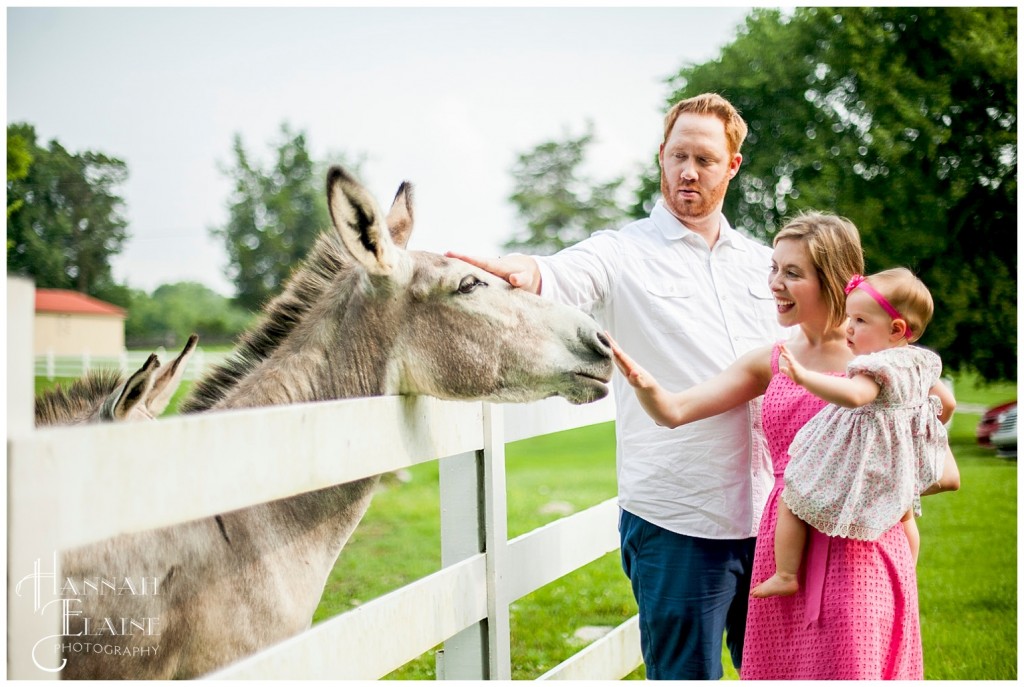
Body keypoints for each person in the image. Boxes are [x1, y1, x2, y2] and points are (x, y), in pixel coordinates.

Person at [448, 93, 786, 679]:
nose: (688, 171)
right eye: (677, 155)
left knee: (780, 675)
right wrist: (527, 270)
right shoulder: (622, 252)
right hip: (680, 522)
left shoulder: (763, 264)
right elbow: (559, 273)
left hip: (774, 518)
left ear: (732, 164)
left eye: (705, 159)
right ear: (660, 156)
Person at [609, 211, 961, 679]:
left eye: (792, 273)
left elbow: (942, 473)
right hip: (783, 552)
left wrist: (855, 485)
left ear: (833, 280)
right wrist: (645, 384)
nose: (774, 282)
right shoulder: (773, 359)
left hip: (860, 549)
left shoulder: (885, 365)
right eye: (774, 268)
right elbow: (674, 411)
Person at [751, 268, 957, 599]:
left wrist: (803, 377)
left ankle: (786, 573)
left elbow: (853, 395)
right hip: (895, 462)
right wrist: (914, 425)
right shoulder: (922, 362)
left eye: (860, 321)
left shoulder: (878, 365)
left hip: (864, 458)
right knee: (903, 516)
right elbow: (946, 403)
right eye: (849, 317)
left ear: (896, 329)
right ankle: (905, 571)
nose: (848, 327)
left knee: (794, 494)